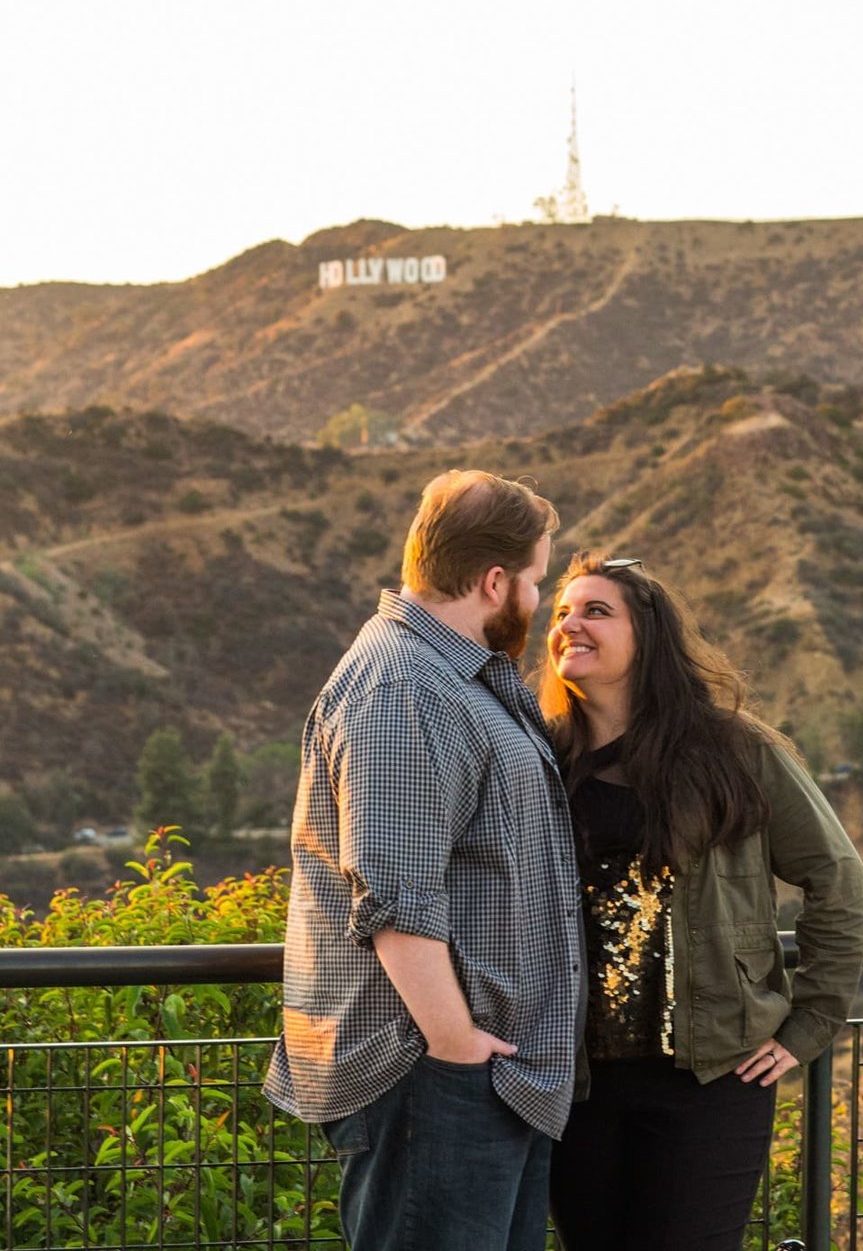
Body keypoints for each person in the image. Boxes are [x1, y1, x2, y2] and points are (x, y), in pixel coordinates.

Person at [265, 470, 581, 1251]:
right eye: (537, 583)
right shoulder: (406, 688)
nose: (536, 606)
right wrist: (456, 1045)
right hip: (436, 1077)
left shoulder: (447, 677)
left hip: (482, 1075)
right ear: (494, 580)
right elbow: (396, 895)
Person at [541, 551, 863, 1251]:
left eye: (596, 610)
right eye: (563, 611)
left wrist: (810, 1023)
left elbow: (836, 877)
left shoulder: (735, 753)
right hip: (576, 1085)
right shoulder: (543, 758)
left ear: (648, 637)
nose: (571, 623)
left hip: (711, 1078)